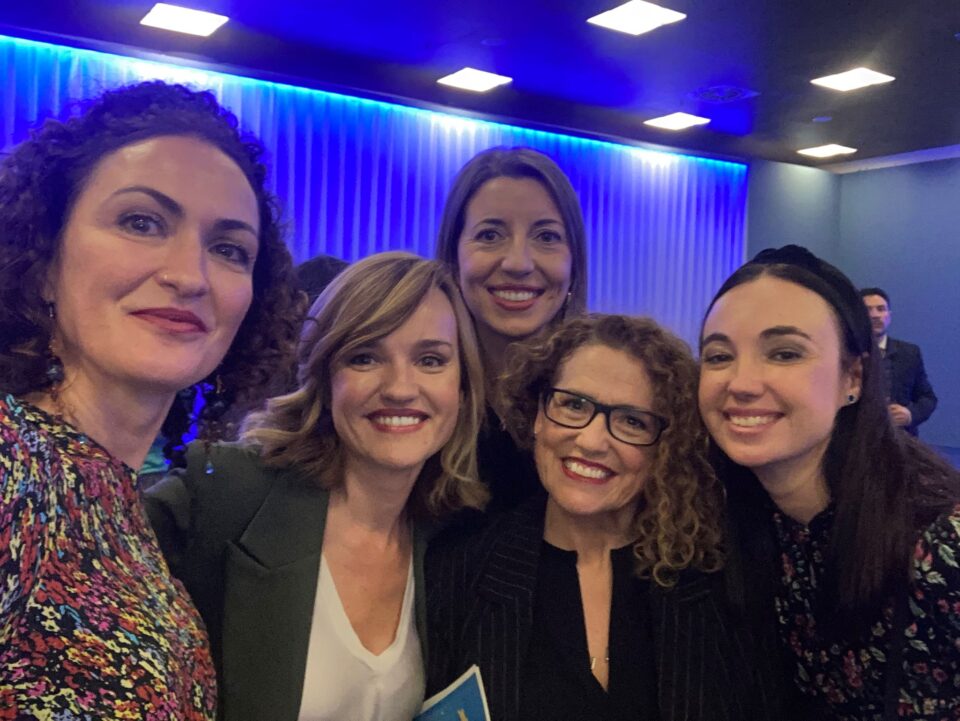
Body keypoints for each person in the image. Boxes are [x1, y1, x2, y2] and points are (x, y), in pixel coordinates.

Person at [0, 81, 302, 719]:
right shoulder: (11, 466)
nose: (189, 275)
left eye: (229, 249)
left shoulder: (117, 500)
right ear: (45, 258)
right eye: (141, 222)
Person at [146, 252, 488, 721]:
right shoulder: (225, 492)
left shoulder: (455, 541)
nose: (400, 388)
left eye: (431, 360)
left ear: (463, 389)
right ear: (325, 378)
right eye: (365, 357)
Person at [427, 314, 778, 721]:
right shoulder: (458, 568)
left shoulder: (722, 574)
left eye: (632, 421)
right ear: (539, 415)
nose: (592, 441)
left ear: (665, 447)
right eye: (573, 405)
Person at [699, 245, 960, 720]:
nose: (741, 382)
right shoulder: (732, 520)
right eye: (718, 356)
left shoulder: (940, 544)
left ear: (853, 378)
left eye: (784, 353)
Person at [435, 146, 588, 512]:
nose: (519, 263)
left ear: (574, 265)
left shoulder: (603, 401)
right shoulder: (418, 398)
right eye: (490, 235)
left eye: (547, 237)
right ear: (453, 258)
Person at [860, 287, 937, 436]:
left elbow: (928, 398)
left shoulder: (909, 353)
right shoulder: (846, 352)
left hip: (899, 438)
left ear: (889, 316)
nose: (875, 315)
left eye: (881, 309)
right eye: (868, 310)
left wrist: (910, 414)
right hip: (856, 437)